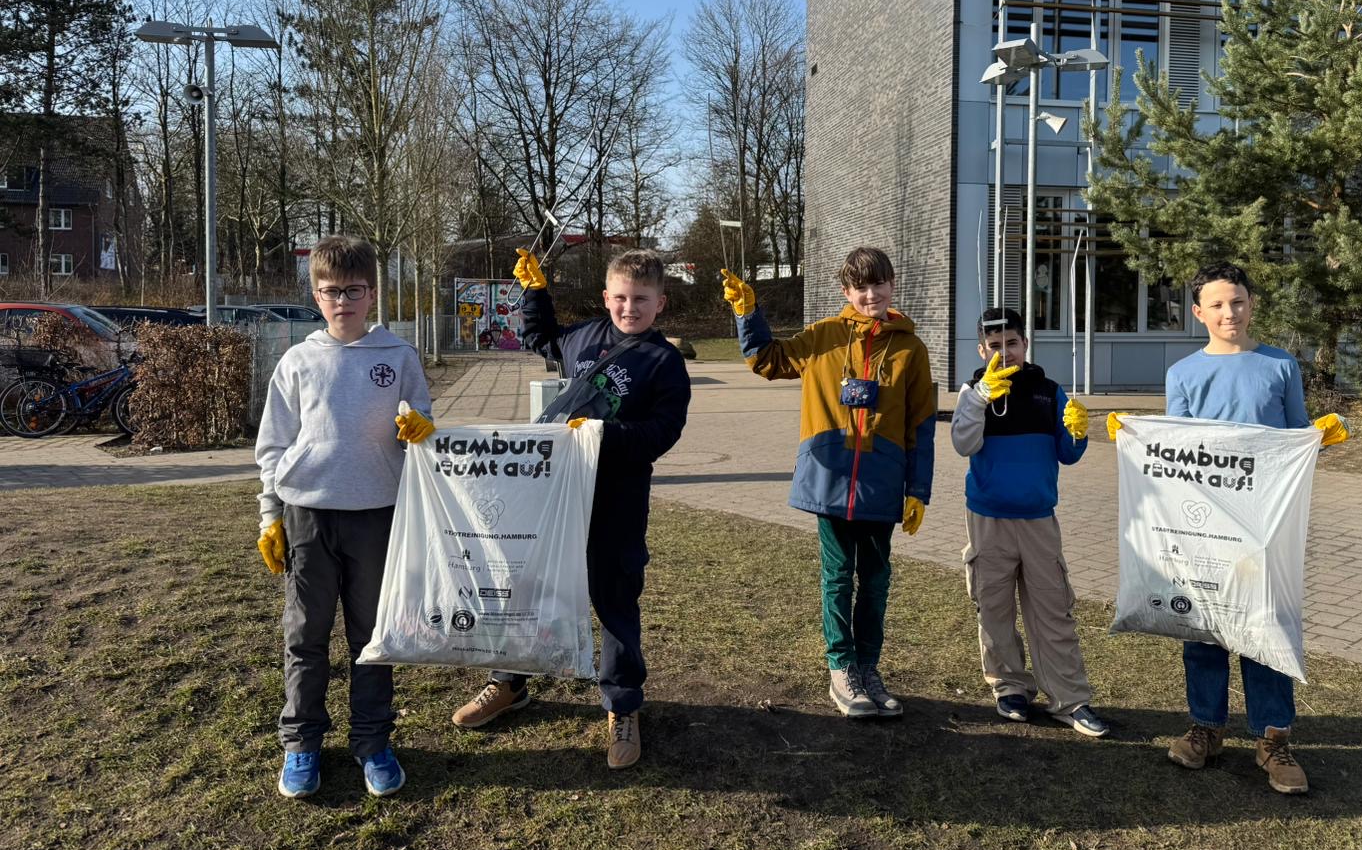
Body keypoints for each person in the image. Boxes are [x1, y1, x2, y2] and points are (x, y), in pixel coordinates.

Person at [1108, 261, 1346, 794]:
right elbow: (1175, 451)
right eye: (1216, 304)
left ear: (1251, 305)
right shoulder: (1184, 374)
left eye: (1237, 301)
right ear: (1199, 313)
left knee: (1266, 628)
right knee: (1204, 626)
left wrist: (1321, 438)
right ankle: (1206, 727)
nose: (1229, 312)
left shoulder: (1280, 366)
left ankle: (1273, 739)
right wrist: (1133, 437)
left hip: (1264, 526)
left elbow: (1294, 439)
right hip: (1204, 525)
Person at [450, 248, 690, 771]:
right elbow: (541, 338)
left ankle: (622, 704)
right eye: (620, 297)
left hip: (617, 498)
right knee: (526, 586)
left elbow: (663, 432)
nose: (629, 308)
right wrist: (534, 294)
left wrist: (604, 434)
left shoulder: (664, 362)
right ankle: (509, 681)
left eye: (641, 299)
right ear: (606, 297)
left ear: (660, 303)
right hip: (554, 493)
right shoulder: (584, 337)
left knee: (615, 599)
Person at [255, 235, 435, 799]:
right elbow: (273, 445)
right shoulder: (298, 361)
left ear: (372, 294)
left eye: (353, 291)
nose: (342, 302)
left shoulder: (399, 357)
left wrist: (422, 433)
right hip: (308, 515)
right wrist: (270, 515)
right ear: (316, 295)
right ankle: (301, 744)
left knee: (373, 638)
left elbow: (421, 429)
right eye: (331, 291)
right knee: (305, 636)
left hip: (377, 516)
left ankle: (373, 742)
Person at [721, 247, 935, 719]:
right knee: (838, 577)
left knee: (876, 580)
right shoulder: (822, 337)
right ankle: (842, 670)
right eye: (861, 287)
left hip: (882, 483)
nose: (871, 294)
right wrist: (748, 313)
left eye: (879, 284)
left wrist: (918, 490)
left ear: (893, 284)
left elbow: (921, 425)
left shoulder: (911, 350)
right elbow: (765, 360)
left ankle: (868, 668)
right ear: (846, 291)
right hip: (830, 480)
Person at [949, 307, 1109, 737]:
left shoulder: (1048, 391)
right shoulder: (972, 392)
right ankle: (1010, 687)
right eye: (994, 346)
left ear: (1025, 343)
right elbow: (963, 443)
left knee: (1053, 611)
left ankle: (1069, 699)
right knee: (994, 609)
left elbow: (1068, 454)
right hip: (988, 519)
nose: (1005, 352)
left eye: (1012, 343)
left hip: (1038, 520)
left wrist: (1078, 431)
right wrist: (980, 399)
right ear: (982, 350)